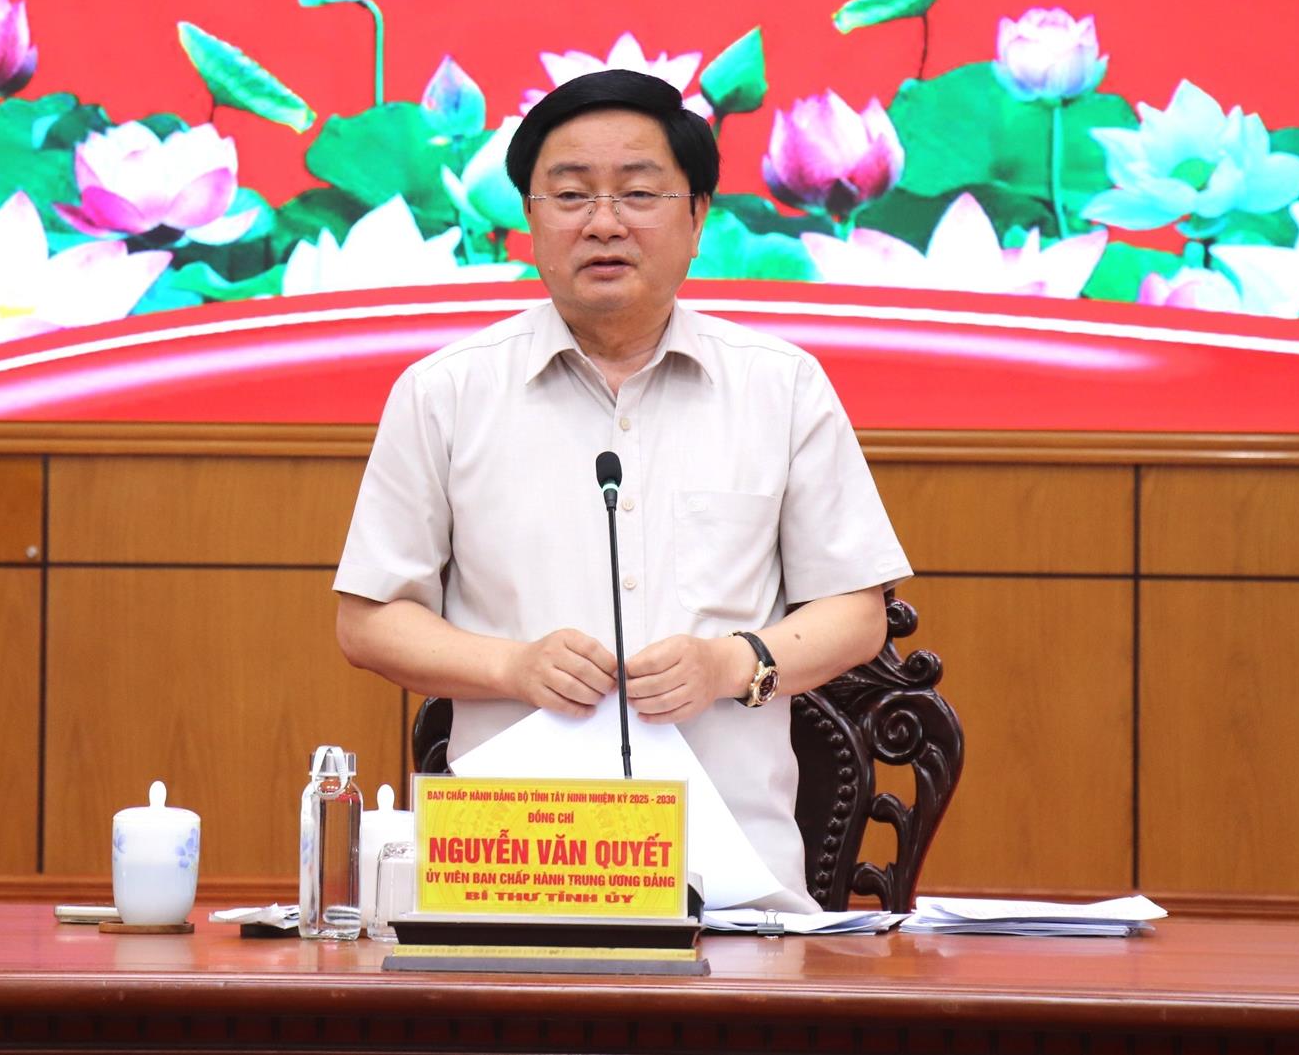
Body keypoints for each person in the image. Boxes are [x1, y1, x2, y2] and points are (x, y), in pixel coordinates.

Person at [333, 69, 909, 910]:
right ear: (529, 218)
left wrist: (730, 662)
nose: (603, 222)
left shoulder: (780, 386)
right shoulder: (444, 392)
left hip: (734, 886)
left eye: (639, 193)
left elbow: (856, 612)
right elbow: (368, 619)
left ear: (697, 217)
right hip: (512, 874)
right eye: (570, 195)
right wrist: (512, 665)